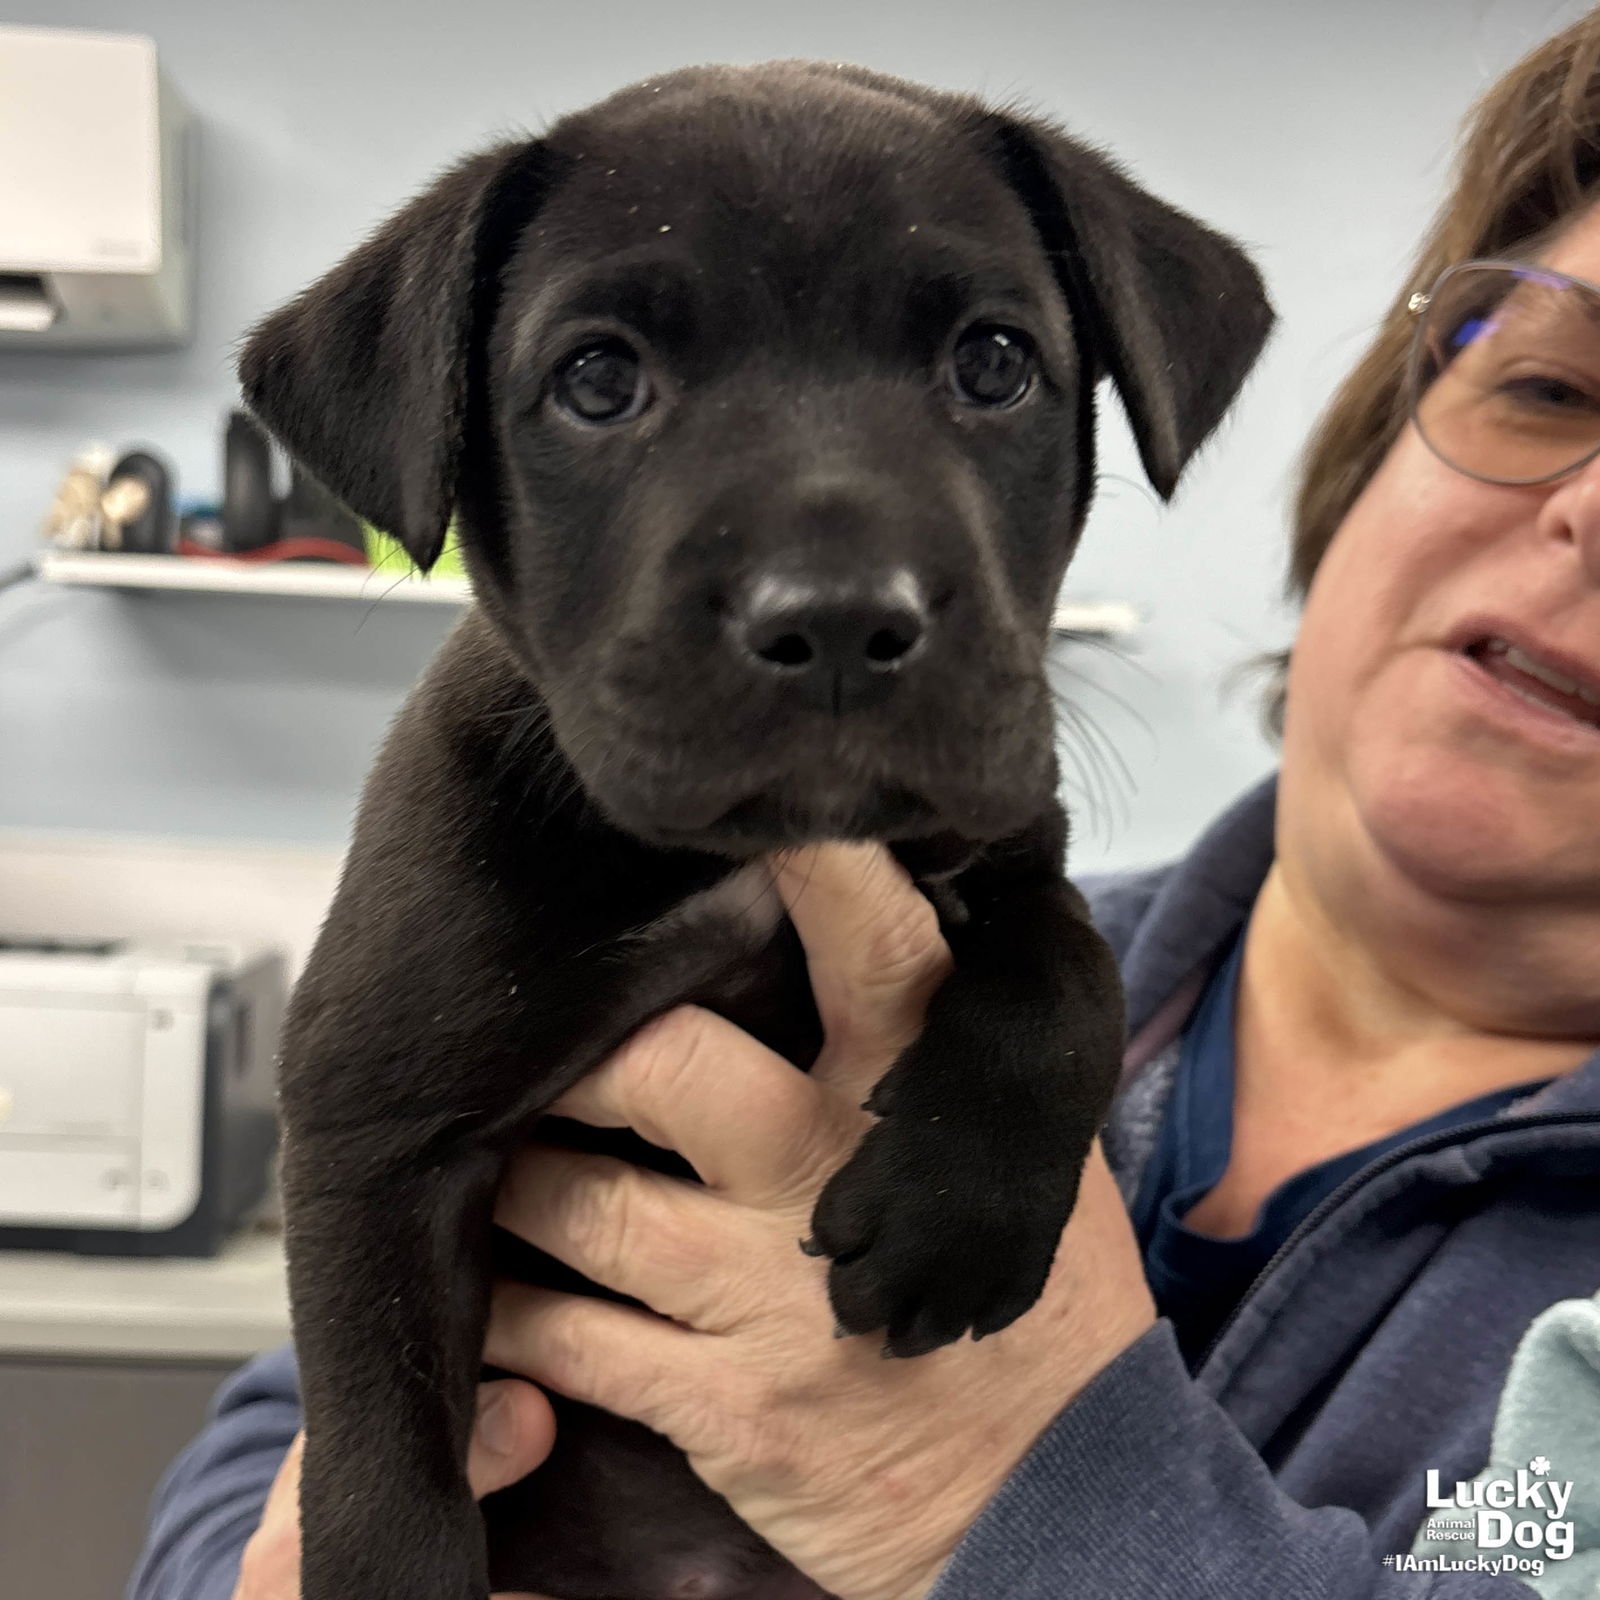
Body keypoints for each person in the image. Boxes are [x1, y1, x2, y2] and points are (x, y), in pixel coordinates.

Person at [130, 14, 1600, 1600]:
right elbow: (289, 1420)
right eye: (1549, 390)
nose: (838, 581)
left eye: (987, 365)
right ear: (1379, 432)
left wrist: (1038, 1498)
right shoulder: (1063, 934)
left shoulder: (1028, 962)